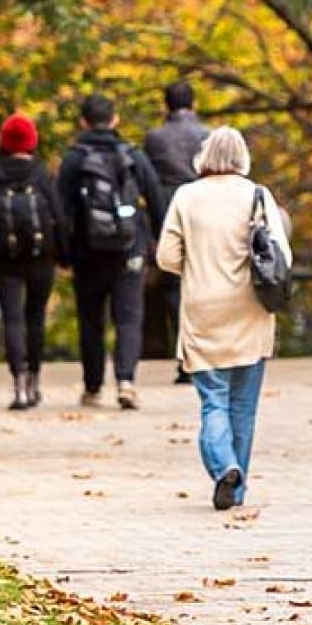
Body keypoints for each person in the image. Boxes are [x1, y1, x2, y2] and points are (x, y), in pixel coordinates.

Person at [155, 126, 289, 511]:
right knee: (243, 407)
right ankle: (238, 488)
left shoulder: (186, 196)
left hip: (202, 309)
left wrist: (197, 266)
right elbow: (283, 255)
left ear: (205, 156)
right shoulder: (257, 196)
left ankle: (225, 468)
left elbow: (166, 256)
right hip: (251, 309)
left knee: (213, 402)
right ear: (243, 157)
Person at [58, 93, 165, 410]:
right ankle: (126, 381)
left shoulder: (74, 159)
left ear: (83, 121)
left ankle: (93, 387)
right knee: (129, 317)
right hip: (129, 247)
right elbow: (156, 197)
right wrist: (158, 238)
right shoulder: (133, 155)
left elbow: (61, 209)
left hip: (87, 252)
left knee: (91, 319)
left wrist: (64, 253)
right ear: (115, 119)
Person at [0, 113, 68, 411]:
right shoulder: (42, 175)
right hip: (41, 258)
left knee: (12, 319)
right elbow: (59, 218)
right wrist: (65, 256)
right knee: (35, 318)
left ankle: (19, 384)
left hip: (4, 260)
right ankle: (35, 379)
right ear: (32, 141)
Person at [144, 81, 210, 384]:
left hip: (169, 213)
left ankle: (184, 357)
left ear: (166, 105)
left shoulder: (155, 138)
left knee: (173, 287)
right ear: (193, 104)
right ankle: (203, 356)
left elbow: (148, 182)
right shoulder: (206, 136)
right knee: (204, 284)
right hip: (203, 214)